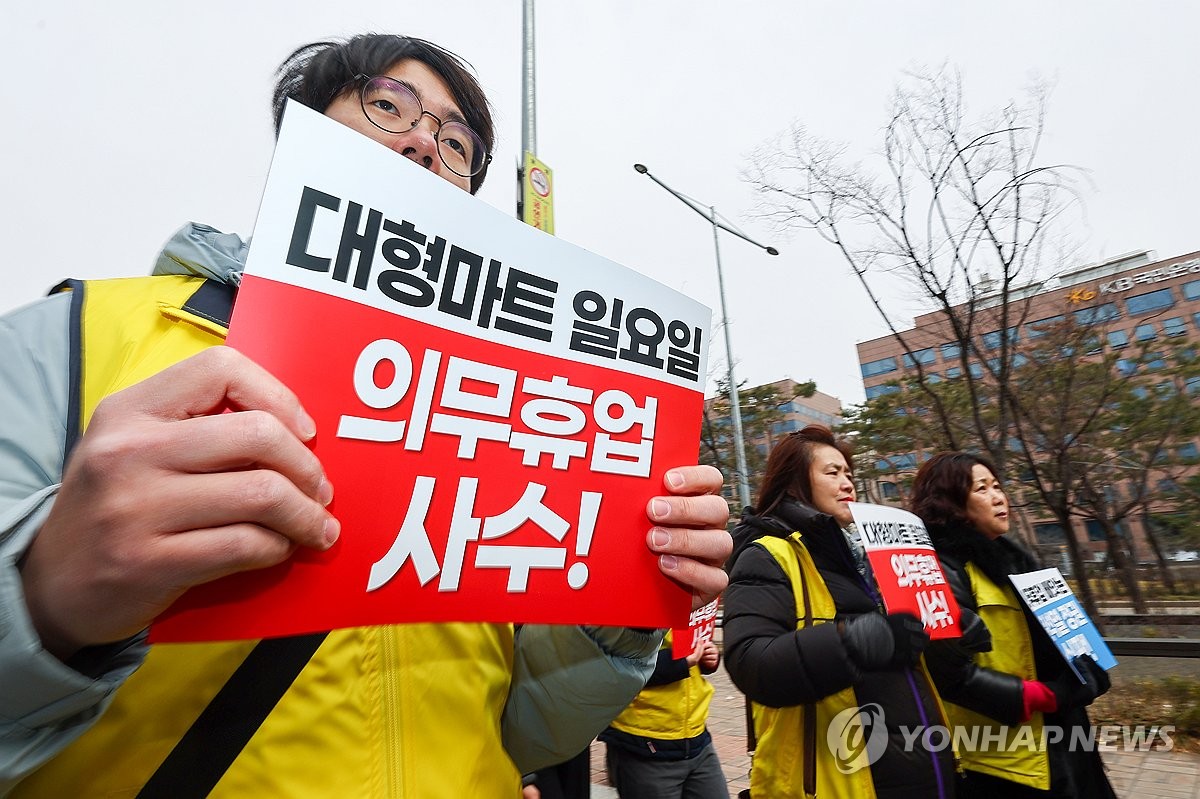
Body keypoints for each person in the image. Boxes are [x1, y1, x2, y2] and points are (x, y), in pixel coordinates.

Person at [0, 34, 732, 796]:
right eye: (388, 105)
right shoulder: (75, 335)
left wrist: (622, 597)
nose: (423, 143)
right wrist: (46, 598)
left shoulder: (508, 416)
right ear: (301, 133)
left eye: (457, 144)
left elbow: (521, 731)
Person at [722, 425, 955, 799]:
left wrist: (951, 628)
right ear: (795, 482)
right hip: (834, 782)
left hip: (921, 773)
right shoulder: (767, 555)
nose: (847, 483)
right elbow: (752, 662)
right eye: (832, 472)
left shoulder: (870, 558)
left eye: (849, 473)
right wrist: (859, 640)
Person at [911, 453, 1115, 798]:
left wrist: (1088, 666)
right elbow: (948, 671)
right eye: (981, 488)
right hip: (1001, 756)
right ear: (950, 502)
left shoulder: (1017, 559)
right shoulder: (938, 569)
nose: (998, 497)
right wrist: (1040, 696)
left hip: (1064, 737)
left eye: (997, 486)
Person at [599, 631, 726, 798]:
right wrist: (681, 661)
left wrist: (707, 657)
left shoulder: (692, 606)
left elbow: (693, 649)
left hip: (697, 738)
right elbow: (614, 665)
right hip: (643, 743)